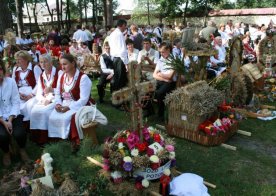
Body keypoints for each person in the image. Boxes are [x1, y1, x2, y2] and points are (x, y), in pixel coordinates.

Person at [48, 54, 92, 145]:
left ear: (73, 63)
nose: (62, 67)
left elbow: (83, 99)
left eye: (65, 64)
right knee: (53, 116)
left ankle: (73, 141)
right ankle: (59, 140)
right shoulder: (62, 76)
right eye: (61, 64)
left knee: (67, 117)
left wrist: (69, 107)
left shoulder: (83, 78)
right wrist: (58, 104)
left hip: (79, 105)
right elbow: (57, 93)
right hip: (64, 103)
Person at [0, 60, 29, 166]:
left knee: (19, 133)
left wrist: (11, 120)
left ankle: (21, 149)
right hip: (0, 117)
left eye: (0, 69)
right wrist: (4, 122)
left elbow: (16, 102)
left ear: (3, 69)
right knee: (2, 136)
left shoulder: (11, 82)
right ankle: (6, 152)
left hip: (14, 114)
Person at [30, 54, 62, 145]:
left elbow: (62, 90)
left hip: (57, 98)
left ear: (51, 62)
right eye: (41, 62)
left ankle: (45, 138)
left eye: (45, 61)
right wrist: (42, 99)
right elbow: (39, 92)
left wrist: (51, 93)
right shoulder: (41, 75)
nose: (43, 64)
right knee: (34, 111)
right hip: (44, 99)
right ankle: (36, 137)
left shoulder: (58, 73)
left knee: (44, 112)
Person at [13, 50, 42, 121]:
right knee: (14, 105)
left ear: (26, 60)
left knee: (30, 106)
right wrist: (18, 94)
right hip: (19, 94)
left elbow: (40, 83)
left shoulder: (34, 68)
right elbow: (13, 84)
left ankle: (29, 124)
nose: (17, 62)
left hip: (32, 93)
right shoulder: (15, 69)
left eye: (19, 59)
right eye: (16, 60)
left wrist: (31, 95)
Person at [153, 43, 176, 119]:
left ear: (168, 50)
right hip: (163, 81)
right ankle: (150, 111)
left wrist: (160, 74)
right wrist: (163, 78)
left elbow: (170, 76)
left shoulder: (174, 60)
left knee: (159, 93)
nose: (161, 54)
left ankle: (160, 115)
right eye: (160, 52)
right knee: (148, 89)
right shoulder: (161, 59)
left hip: (171, 83)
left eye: (163, 52)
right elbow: (154, 75)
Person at [108, 19, 128, 91]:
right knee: (120, 80)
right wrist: (126, 63)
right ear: (122, 25)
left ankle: (114, 95)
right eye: (125, 26)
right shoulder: (119, 34)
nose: (126, 28)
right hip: (120, 59)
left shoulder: (112, 34)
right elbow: (122, 50)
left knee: (116, 78)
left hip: (115, 58)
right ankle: (118, 98)